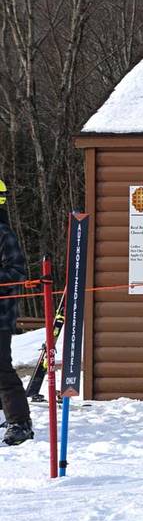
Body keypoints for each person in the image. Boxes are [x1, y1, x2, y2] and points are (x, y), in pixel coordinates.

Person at [0, 180, 32, 446]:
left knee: (1, 369)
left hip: (0, 316)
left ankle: (20, 422)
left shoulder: (3, 234)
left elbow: (17, 273)